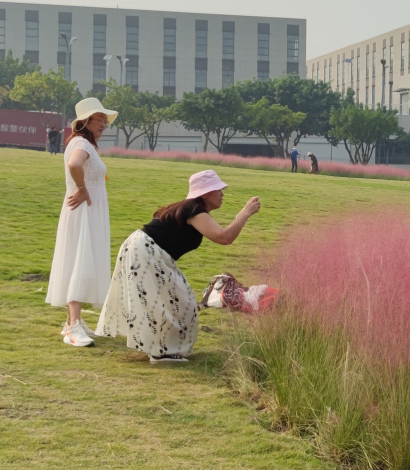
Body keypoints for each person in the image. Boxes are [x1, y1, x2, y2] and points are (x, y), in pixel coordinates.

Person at [97, 169, 261, 362]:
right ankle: (163, 352)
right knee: (177, 301)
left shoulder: (192, 209)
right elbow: (224, 238)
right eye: (219, 189)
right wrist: (245, 213)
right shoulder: (194, 209)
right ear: (206, 193)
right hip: (145, 251)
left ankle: (165, 349)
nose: (222, 194)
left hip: (147, 250)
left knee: (178, 300)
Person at [46, 97, 116, 346]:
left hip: (89, 211)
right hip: (83, 210)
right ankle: (73, 326)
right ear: (86, 121)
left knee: (82, 259)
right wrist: (82, 188)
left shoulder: (85, 143)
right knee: (80, 261)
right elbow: (75, 164)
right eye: (100, 120)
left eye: (105, 121)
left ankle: (71, 322)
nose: (104, 125)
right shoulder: (81, 144)